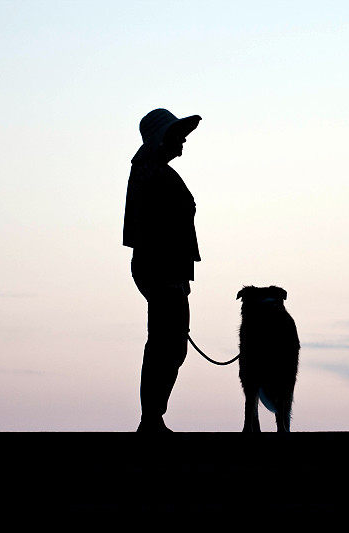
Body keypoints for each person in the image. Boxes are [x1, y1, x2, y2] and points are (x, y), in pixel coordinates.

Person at [123, 108, 202, 432]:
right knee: (165, 344)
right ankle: (151, 418)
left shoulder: (152, 171)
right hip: (161, 270)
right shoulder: (151, 173)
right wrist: (170, 278)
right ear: (162, 139)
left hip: (166, 271)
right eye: (177, 134)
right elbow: (150, 230)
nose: (183, 140)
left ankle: (152, 416)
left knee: (170, 344)